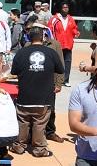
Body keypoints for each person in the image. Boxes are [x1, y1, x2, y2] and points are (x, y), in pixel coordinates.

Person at [9, 23, 65, 157]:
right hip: (43, 97)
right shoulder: (51, 52)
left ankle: (19, 146)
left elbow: (14, 71)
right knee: (39, 124)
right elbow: (61, 69)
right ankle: (39, 149)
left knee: (23, 122)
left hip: (24, 96)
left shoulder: (21, 52)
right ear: (43, 36)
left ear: (29, 37)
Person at [49, 2, 79, 87]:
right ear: (60, 9)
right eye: (64, 7)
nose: (66, 9)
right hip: (58, 44)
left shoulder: (71, 19)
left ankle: (65, 80)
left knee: (67, 62)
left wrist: (76, 32)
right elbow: (49, 30)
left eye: (67, 7)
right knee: (57, 62)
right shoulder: (54, 19)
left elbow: (74, 29)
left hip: (68, 44)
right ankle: (56, 80)